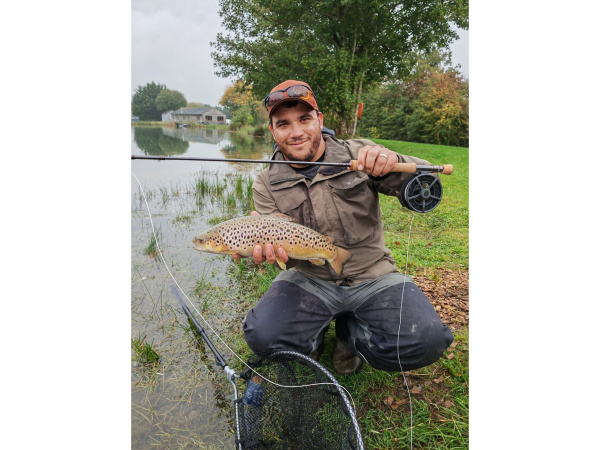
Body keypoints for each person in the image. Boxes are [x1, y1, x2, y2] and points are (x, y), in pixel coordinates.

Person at [235, 80, 453, 375]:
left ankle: (350, 336)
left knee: (428, 341)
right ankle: (313, 339)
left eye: (304, 119)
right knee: (263, 337)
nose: (296, 132)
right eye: (283, 124)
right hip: (309, 278)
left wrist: (395, 162)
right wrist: (270, 254)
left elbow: (425, 184)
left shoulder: (360, 153)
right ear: (273, 131)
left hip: (373, 273)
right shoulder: (265, 183)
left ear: (320, 120)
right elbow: (282, 254)